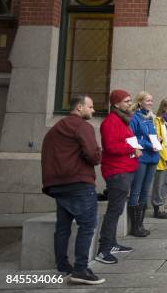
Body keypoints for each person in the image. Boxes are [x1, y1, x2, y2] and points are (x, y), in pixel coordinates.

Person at [40, 95, 105, 285]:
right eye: (91, 107)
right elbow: (93, 156)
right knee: (87, 225)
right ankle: (80, 269)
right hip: (78, 182)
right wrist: (98, 152)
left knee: (62, 226)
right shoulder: (82, 126)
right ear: (79, 107)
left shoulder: (55, 130)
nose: (93, 111)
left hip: (57, 185)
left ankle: (62, 265)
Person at [95, 90, 141, 264]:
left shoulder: (122, 120)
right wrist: (132, 149)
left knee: (117, 210)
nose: (130, 103)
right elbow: (111, 147)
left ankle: (112, 243)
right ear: (116, 104)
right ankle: (104, 249)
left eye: (130, 100)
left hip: (125, 170)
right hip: (117, 172)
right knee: (114, 211)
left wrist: (135, 147)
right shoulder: (111, 122)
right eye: (126, 101)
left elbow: (124, 141)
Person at [128, 91, 161, 236]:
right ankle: (135, 227)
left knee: (145, 190)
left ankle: (140, 224)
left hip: (153, 157)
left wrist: (158, 140)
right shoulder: (134, 118)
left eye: (151, 100)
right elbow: (132, 138)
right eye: (148, 100)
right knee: (136, 190)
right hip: (141, 158)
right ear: (140, 102)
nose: (150, 103)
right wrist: (149, 144)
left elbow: (152, 136)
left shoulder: (150, 118)